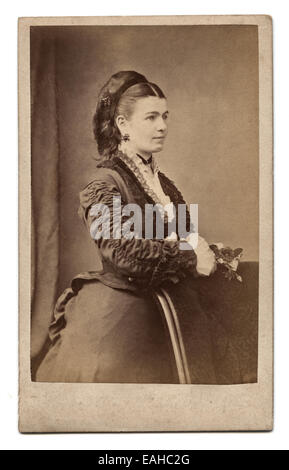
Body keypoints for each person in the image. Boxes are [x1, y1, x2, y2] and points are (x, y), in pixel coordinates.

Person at [35, 71, 258, 384]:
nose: (163, 126)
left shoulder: (163, 184)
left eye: (165, 116)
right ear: (122, 124)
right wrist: (191, 258)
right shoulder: (104, 183)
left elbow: (183, 236)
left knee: (256, 282)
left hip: (174, 295)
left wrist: (211, 252)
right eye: (151, 117)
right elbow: (122, 252)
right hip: (129, 302)